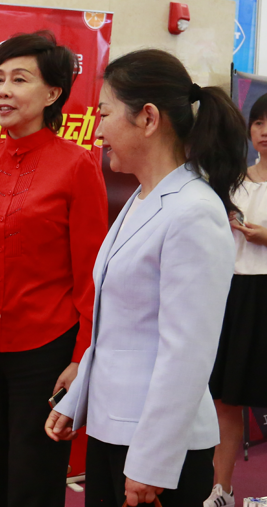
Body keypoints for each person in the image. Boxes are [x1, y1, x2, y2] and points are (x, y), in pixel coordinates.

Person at [45, 49, 246, 507]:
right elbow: (119, 327)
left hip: (157, 449)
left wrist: (152, 462)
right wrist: (78, 398)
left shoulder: (193, 210)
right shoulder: (142, 198)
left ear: (148, 118)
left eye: (104, 114)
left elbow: (186, 354)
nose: (97, 131)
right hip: (115, 428)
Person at [0, 31, 108, 507]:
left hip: (47, 346)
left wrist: (81, 357)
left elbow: (92, 275)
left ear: (52, 94)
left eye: (19, 79)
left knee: (34, 476)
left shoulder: (78, 166)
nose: (3, 91)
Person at [204, 94, 267, 507]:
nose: (265, 131)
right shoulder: (232, 183)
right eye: (259, 122)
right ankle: (221, 490)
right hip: (232, 295)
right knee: (225, 401)